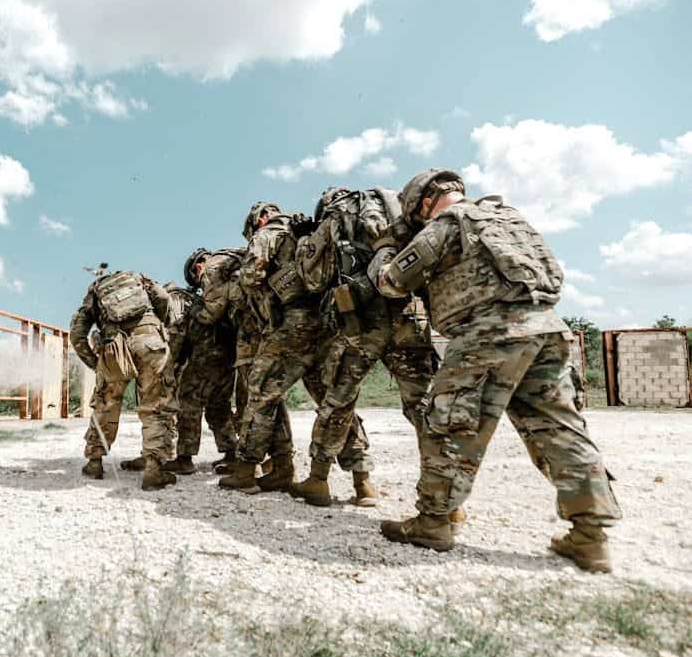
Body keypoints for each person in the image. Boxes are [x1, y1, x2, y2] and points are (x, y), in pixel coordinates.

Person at [371, 169, 622, 572]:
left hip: (489, 334)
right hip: (548, 329)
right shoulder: (511, 219)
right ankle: (591, 537)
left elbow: (392, 283)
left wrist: (385, 248)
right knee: (560, 431)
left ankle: (433, 523)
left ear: (422, 203)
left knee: (451, 424)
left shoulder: (447, 224)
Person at [291, 187, 439, 512]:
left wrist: (305, 241)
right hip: (408, 314)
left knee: (339, 400)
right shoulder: (397, 209)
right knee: (424, 405)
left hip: (361, 319)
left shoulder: (337, 215)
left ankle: (318, 480)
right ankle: (444, 500)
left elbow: (313, 278)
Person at [219, 202, 323, 494]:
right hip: (325, 323)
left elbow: (251, 277)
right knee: (331, 399)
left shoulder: (268, 233)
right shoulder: (309, 233)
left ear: (260, 218)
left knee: (261, 392)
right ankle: (361, 480)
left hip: (290, 323)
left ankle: (245, 471)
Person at [69, 269, 178, 490]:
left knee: (106, 404)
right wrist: (163, 325)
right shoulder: (140, 280)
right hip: (150, 342)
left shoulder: (95, 290)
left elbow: (77, 333)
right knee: (156, 406)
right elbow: (165, 299)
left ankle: (94, 463)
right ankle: (154, 470)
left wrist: (95, 363)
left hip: (113, 347)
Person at [162, 278, 239, 475]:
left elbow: (178, 337)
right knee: (219, 407)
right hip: (228, 359)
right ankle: (232, 453)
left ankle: (184, 459)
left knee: (189, 404)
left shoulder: (177, 301)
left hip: (205, 359)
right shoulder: (203, 300)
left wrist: (173, 364)